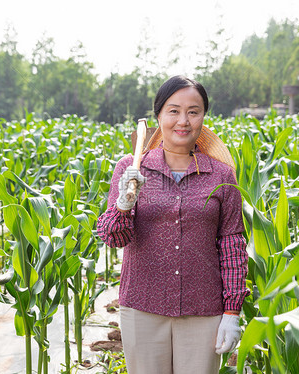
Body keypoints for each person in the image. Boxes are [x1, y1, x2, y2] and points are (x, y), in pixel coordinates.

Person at [97, 75, 249, 374]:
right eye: (174, 110)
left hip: (203, 311)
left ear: (203, 117)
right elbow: (113, 237)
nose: (183, 120)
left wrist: (232, 312)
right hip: (142, 308)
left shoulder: (221, 175)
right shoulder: (132, 168)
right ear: (159, 115)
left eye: (193, 111)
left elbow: (232, 244)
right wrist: (124, 204)